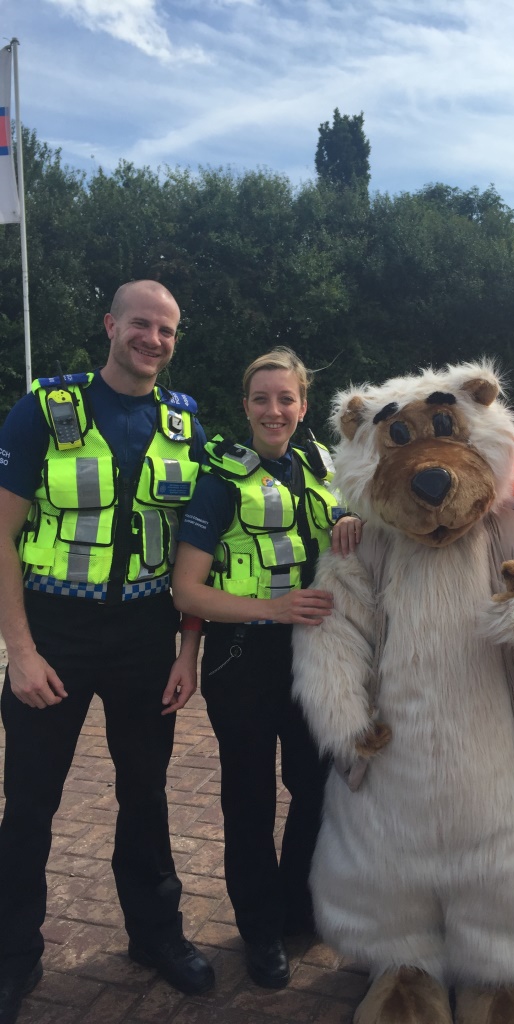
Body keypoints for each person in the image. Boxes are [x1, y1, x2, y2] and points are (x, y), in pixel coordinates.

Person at [0, 280, 214, 1024]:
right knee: (30, 805)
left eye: (167, 330)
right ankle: (12, 956)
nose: (153, 339)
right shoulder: (46, 410)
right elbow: (1, 534)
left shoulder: (185, 423)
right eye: (141, 324)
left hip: (146, 636)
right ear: (111, 325)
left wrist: (187, 651)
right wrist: (18, 651)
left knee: (146, 797)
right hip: (54, 632)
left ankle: (155, 937)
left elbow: (196, 549)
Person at [171, 346, 360, 990]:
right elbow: (187, 591)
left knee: (315, 788)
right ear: (245, 405)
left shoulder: (321, 466)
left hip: (314, 655)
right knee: (249, 798)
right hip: (242, 658)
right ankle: (259, 929)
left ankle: (293, 907)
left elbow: (352, 523)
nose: (274, 410)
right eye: (261, 398)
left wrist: (352, 519)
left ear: (304, 406)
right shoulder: (219, 479)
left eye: (286, 399)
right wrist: (273, 609)